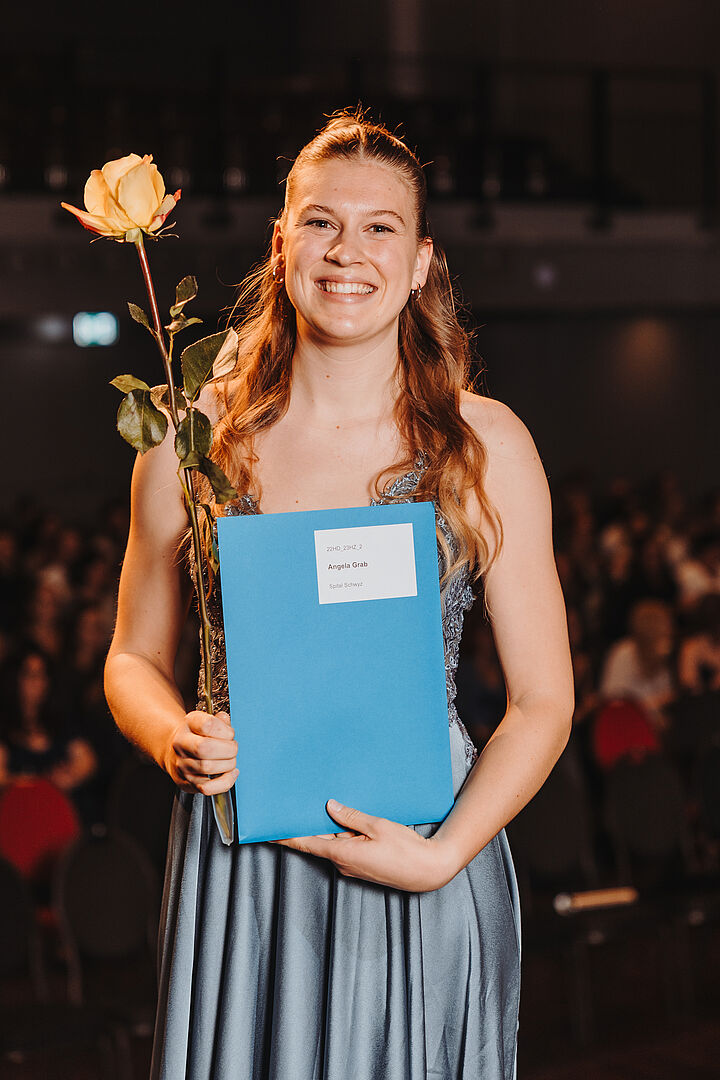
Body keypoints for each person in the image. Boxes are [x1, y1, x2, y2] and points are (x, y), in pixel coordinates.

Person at [104, 109, 574, 1080]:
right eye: (321, 222)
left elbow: (544, 702)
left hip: (425, 844)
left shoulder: (486, 445)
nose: (346, 252)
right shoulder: (190, 437)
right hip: (242, 853)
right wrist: (172, 736)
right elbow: (132, 659)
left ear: (421, 261)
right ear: (282, 244)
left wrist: (442, 859)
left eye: (379, 227)